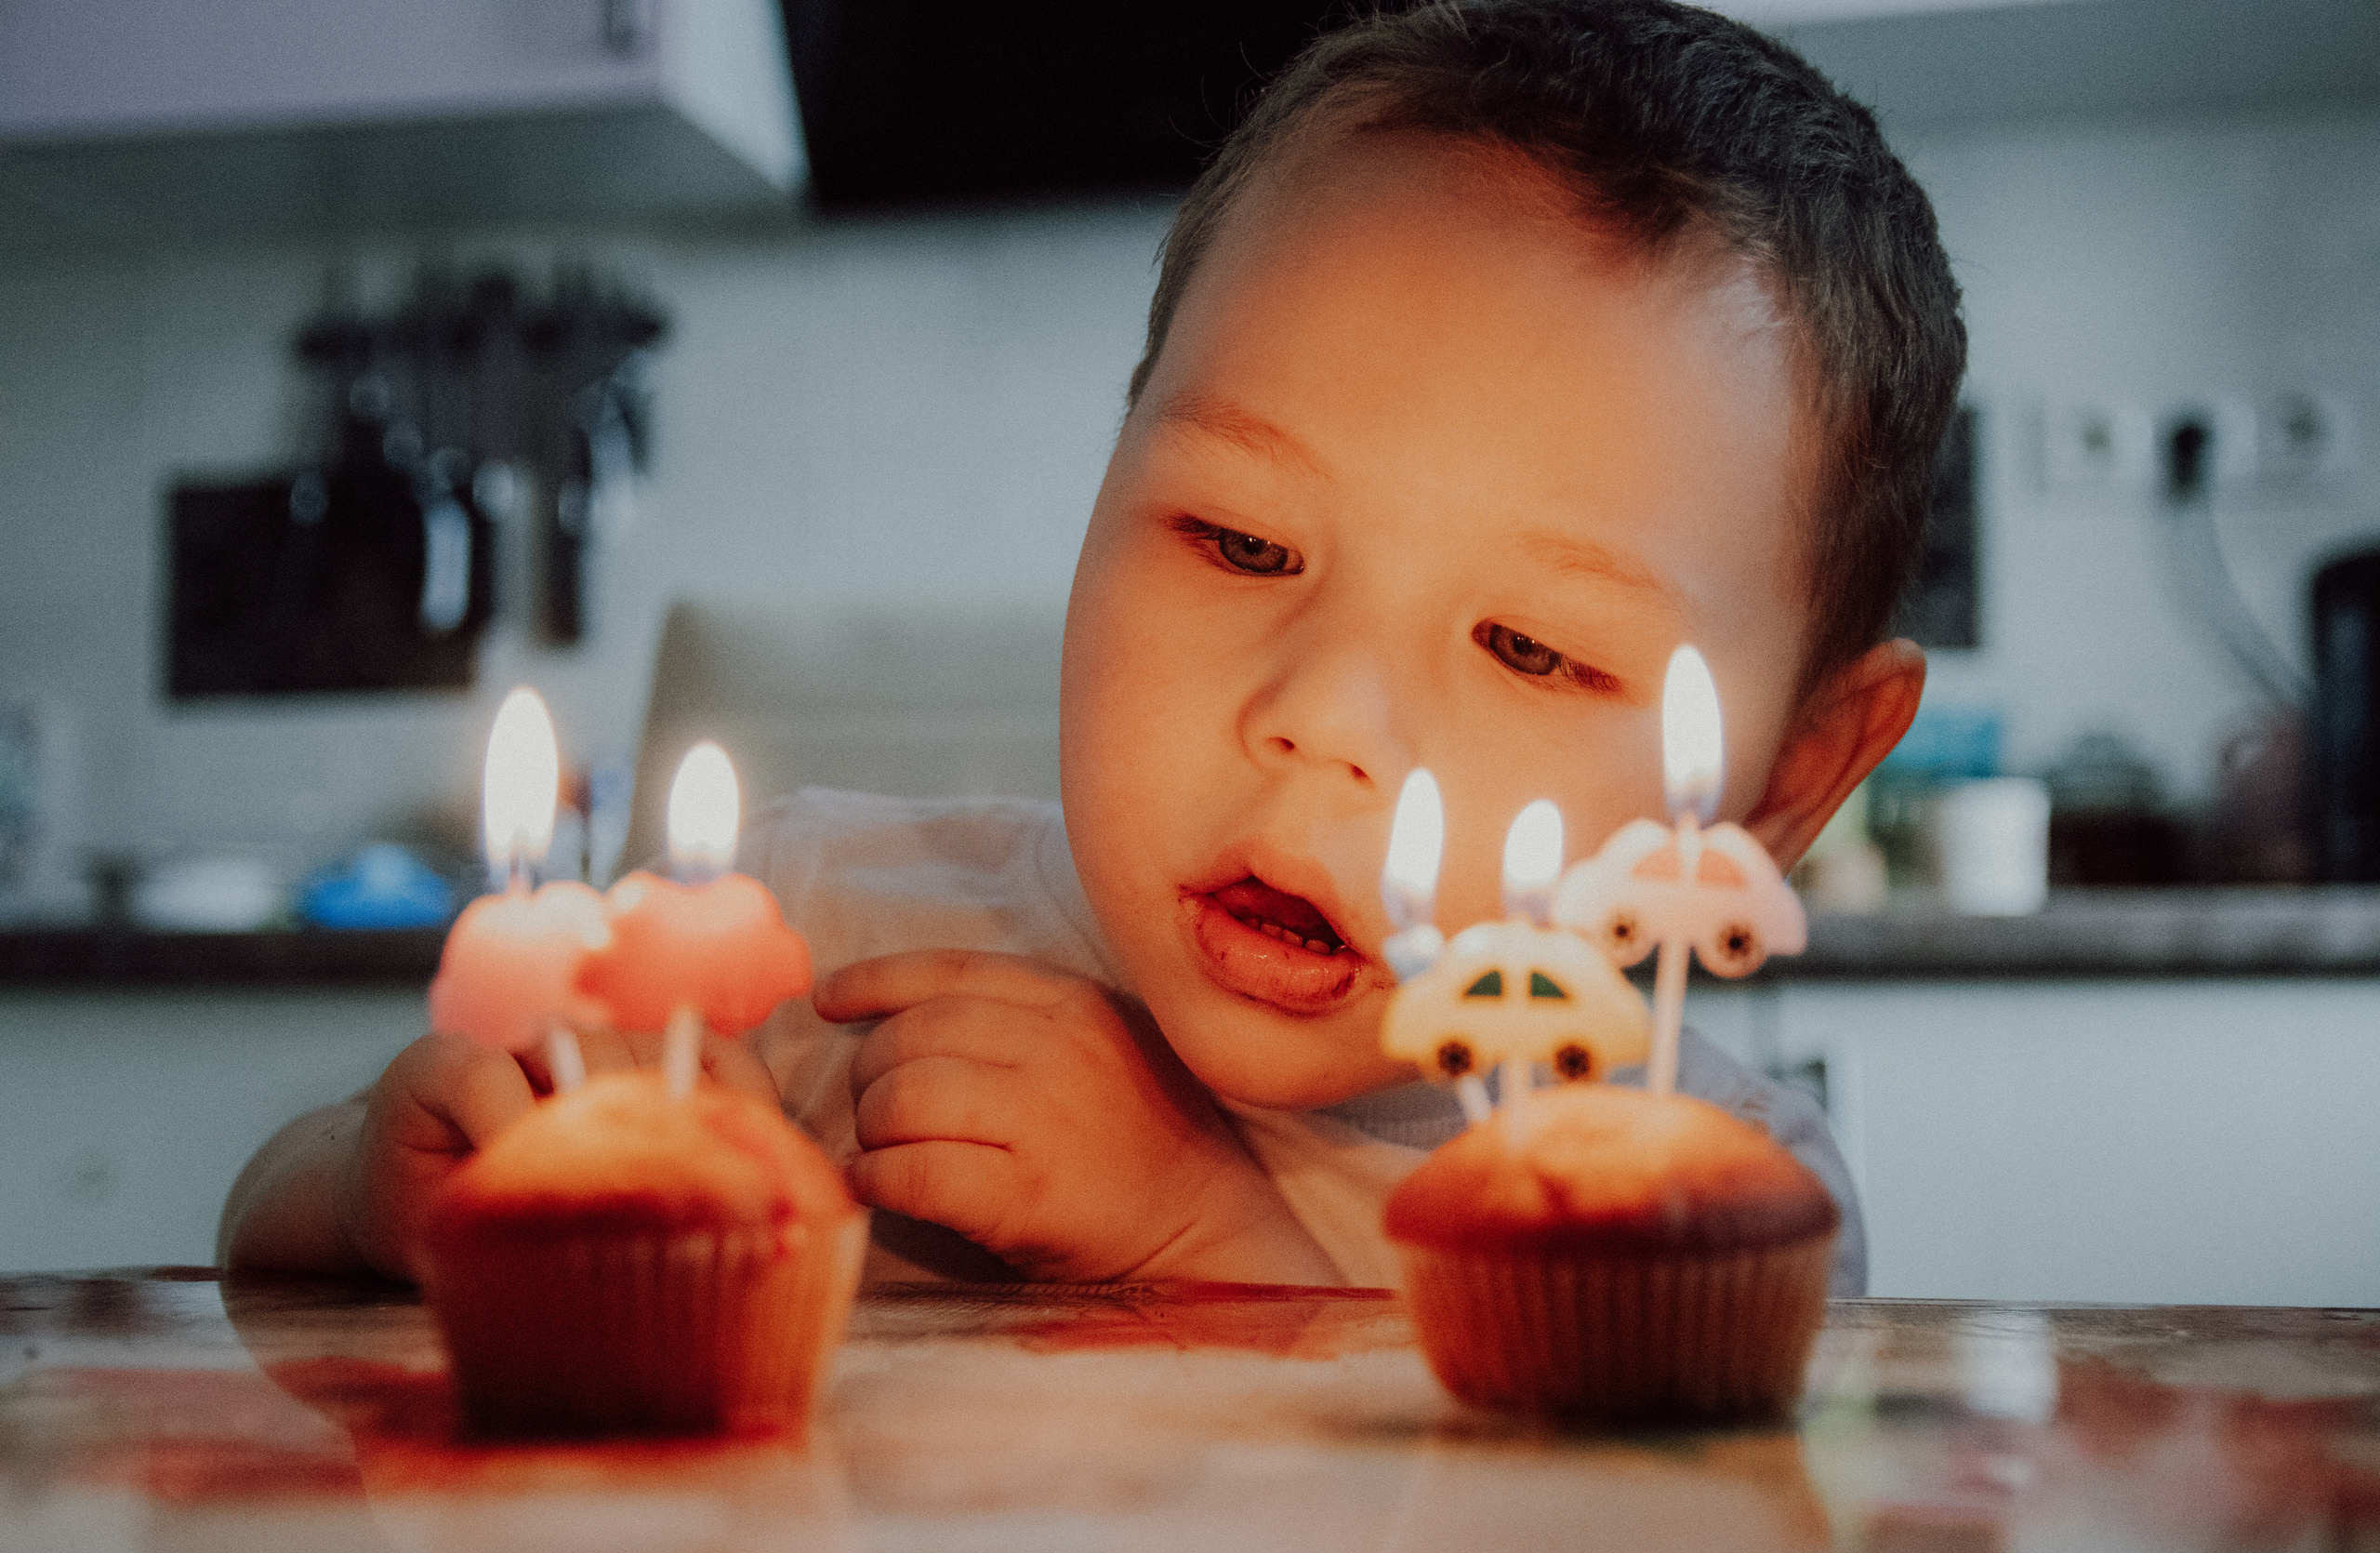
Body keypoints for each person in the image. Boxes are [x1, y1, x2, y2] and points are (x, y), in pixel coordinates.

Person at [221, 0, 1961, 1298]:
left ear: (1791, 780)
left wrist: (1212, 1224)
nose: (1319, 720)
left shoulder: (1703, 1203)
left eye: (1530, 646)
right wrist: (381, 1190)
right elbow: (270, 1231)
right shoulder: (796, 940)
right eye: (1238, 540)